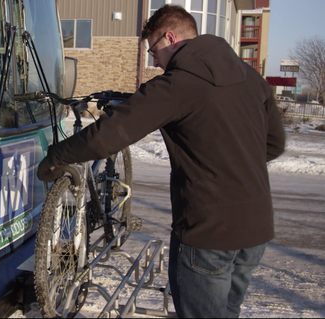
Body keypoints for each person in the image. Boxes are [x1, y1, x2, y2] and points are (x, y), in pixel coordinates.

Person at [37, 4, 285, 318]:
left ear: (169, 37)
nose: (154, 60)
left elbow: (107, 136)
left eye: (154, 50)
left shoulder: (177, 84)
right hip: (256, 229)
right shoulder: (251, 77)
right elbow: (274, 144)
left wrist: (57, 156)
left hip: (207, 233)